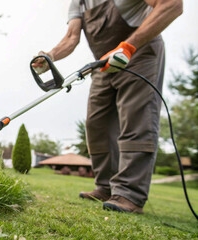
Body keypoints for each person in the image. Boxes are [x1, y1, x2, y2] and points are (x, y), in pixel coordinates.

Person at [32, 0, 182, 213]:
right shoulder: (79, 3)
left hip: (140, 53)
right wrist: (50, 56)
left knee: (135, 120)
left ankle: (130, 193)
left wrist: (128, 46)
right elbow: (71, 38)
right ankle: (105, 186)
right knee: (97, 124)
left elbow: (172, 5)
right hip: (104, 63)